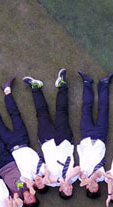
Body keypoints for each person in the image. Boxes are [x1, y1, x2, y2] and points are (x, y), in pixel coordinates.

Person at [0, 77, 48, 205]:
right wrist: (46, 177)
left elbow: (19, 182)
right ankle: (7, 90)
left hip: (9, 145)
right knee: (15, 115)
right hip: (23, 140)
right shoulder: (43, 170)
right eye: (42, 183)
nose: (39, 182)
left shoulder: (26, 178)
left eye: (38, 185)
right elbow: (47, 171)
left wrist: (29, 185)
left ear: (35, 188)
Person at [24, 70, 78, 198]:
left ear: (61, 190)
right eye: (71, 189)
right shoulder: (74, 178)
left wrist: (58, 180)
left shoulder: (51, 183)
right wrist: (66, 179)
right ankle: (62, 84)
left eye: (67, 190)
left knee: (41, 114)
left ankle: (36, 87)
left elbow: (45, 174)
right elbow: (78, 168)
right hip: (65, 140)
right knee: (62, 112)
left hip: (47, 142)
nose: (70, 188)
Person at [74, 71, 113, 198]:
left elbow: (80, 173)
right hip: (100, 138)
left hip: (86, 136)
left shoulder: (81, 177)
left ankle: (87, 82)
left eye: (91, 188)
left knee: (86, 108)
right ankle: (104, 84)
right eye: (96, 188)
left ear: (86, 187)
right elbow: (97, 174)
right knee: (104, 110)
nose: (93, 186)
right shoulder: (100, 177)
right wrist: (91, 179)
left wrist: (85, 180)